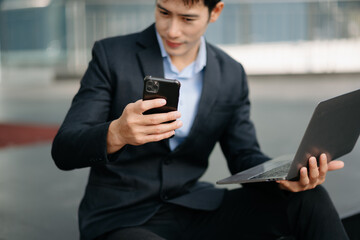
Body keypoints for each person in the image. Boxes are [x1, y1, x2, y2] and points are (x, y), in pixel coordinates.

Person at [51, 0, 349, 239]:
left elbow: (243, 154)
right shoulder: (112, 55)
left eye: (188, 18)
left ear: (215, 11)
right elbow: (64, 148)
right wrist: (116, 132)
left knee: (310, 201)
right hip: (120, 218)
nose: (172, 30)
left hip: (193, 207)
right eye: (163, 12)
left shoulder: (230, 73)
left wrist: (284, 178)